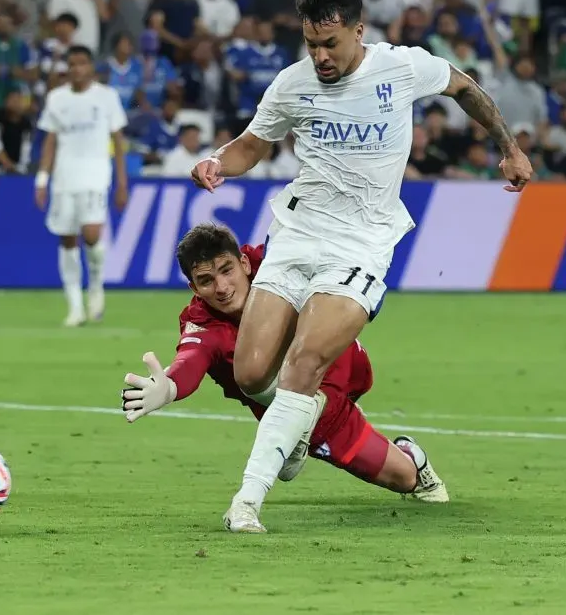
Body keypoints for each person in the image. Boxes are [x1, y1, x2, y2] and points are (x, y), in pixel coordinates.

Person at [187, 0, 529, 533]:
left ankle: (246, 501)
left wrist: (509, 148)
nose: (320, 56)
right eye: (311, 44)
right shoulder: (292, 84)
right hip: (297, 235)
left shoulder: (402, 66)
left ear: (358, 31)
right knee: (250, 374)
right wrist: (218, 162)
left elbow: (464, 86)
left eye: (330, 44)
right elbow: (253, 142)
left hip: (362, 244)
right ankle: (294, 428)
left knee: (302, 367)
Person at [120, 224, 448, 516]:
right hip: (310, 416)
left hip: (337, 364)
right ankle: (408, 454)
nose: (221, 287)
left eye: (226, 270)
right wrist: (169, 388)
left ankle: (300, 426)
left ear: (244, 263)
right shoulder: (204, 324)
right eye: (206, 281)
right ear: (194, 289)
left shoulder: (277, 263)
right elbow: (188, 361)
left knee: (318, 319)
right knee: (404, 478)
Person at [35, 46, 129, 327]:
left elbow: (118, 142)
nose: (77, 69)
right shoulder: (56, 98)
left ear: (90, 67)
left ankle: (96, 286)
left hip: (96, 174)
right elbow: (50, 141)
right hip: (64, 177)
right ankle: (75, 307)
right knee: (66, 238)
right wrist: (42, 179)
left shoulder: (107, 97)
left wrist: (122, 182)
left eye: (82, 64)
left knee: (90, 235)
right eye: (72, 64)